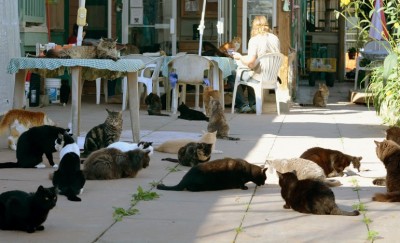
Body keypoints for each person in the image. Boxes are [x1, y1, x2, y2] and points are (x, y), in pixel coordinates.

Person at [228, 15, 281, 113]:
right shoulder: (275, 38)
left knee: (233, 74)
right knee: (250, 72)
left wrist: (239, 57)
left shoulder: (254, 40)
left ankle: (242, 105)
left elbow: (251, 63)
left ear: (254, 26)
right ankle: (254, 104)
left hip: (258, 77)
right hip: (271, 77)